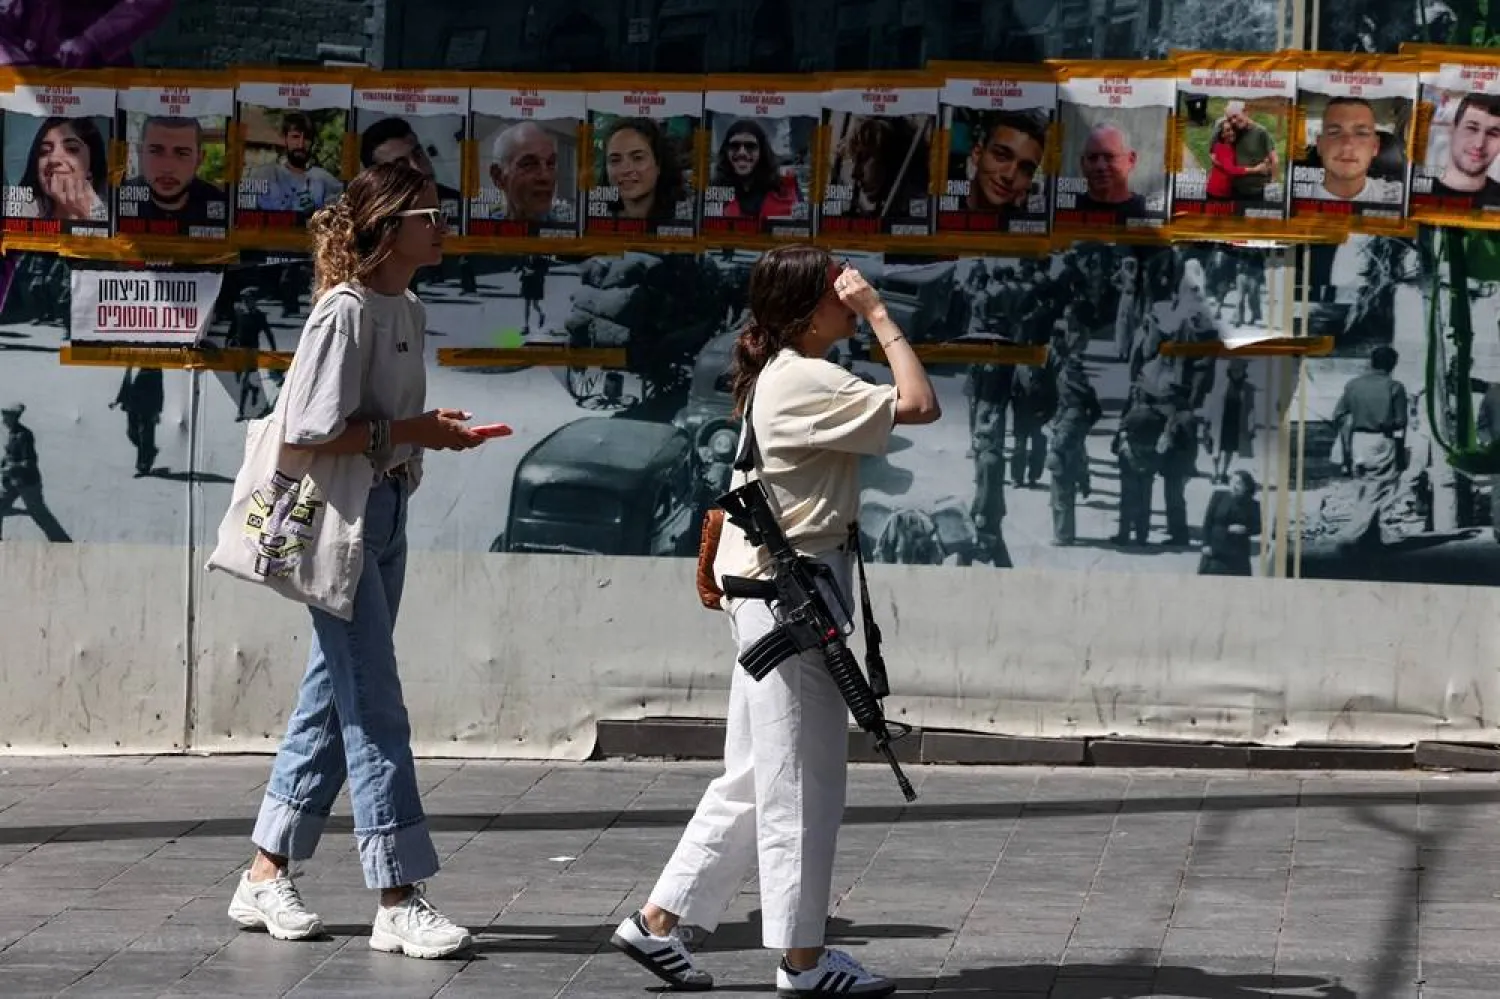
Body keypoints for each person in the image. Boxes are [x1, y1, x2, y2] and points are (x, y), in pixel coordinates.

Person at [610, 244, 940, 997]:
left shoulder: (786, 375)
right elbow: (920, 402)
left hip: (772, 597)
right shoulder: (808, 379)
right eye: (838, 291)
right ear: (806, 308)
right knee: (802, 784)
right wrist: (883, 316)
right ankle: (803, 959)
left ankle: (658, 923)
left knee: (757, 775)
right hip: (789, 603)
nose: (849, 300)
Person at [226, 160, 490, 960]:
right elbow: (308, 431)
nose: (441, 226)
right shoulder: (344, 313)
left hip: (385, 509)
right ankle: (397, 892)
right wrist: (414, 432)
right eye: (427, 215)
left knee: (331, 694)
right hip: (337, 517)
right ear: (387, 229)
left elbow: (388, 422)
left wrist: (428, 429)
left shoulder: (404, 304)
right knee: (374, 701)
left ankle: (265, 869)